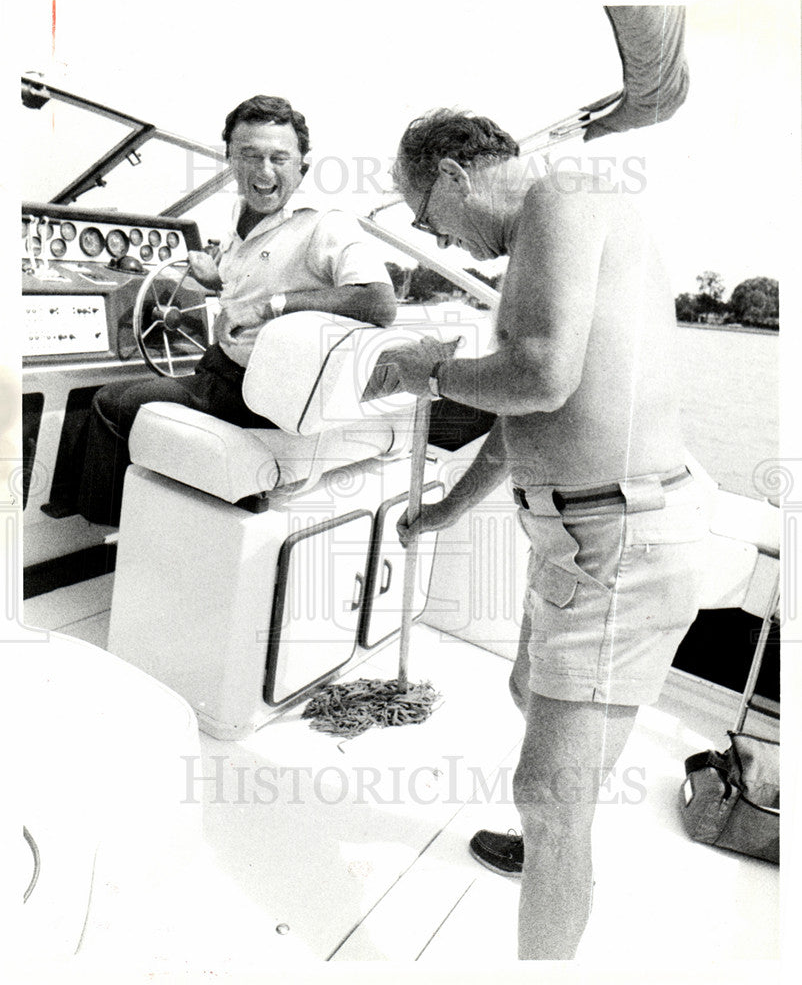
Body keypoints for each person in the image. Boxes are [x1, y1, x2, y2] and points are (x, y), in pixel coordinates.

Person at [389, 109, 707, 960]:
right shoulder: (554, 223)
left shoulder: (560, 197)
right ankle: (559, 848)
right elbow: (526, 413)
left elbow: (536, 375)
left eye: (426, 216)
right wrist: (449, 509)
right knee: (529, 688)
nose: (440, 240)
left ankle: (556, 861)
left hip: (618, 540)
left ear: (454, 175)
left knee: (548, 792)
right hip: (583, 537)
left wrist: (428, 369)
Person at [77, 95, 396, 526]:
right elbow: (250, 287)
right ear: (230, 159)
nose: (264, 172)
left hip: (255, 392)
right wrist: (215, 281)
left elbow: (379, 301)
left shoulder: (326, 223)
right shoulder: (239, 217)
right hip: (220, 371)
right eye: (249, 156)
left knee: (110, 401)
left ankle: (105, 533)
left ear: (303, 165)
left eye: (278, 158)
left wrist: (274, 307)